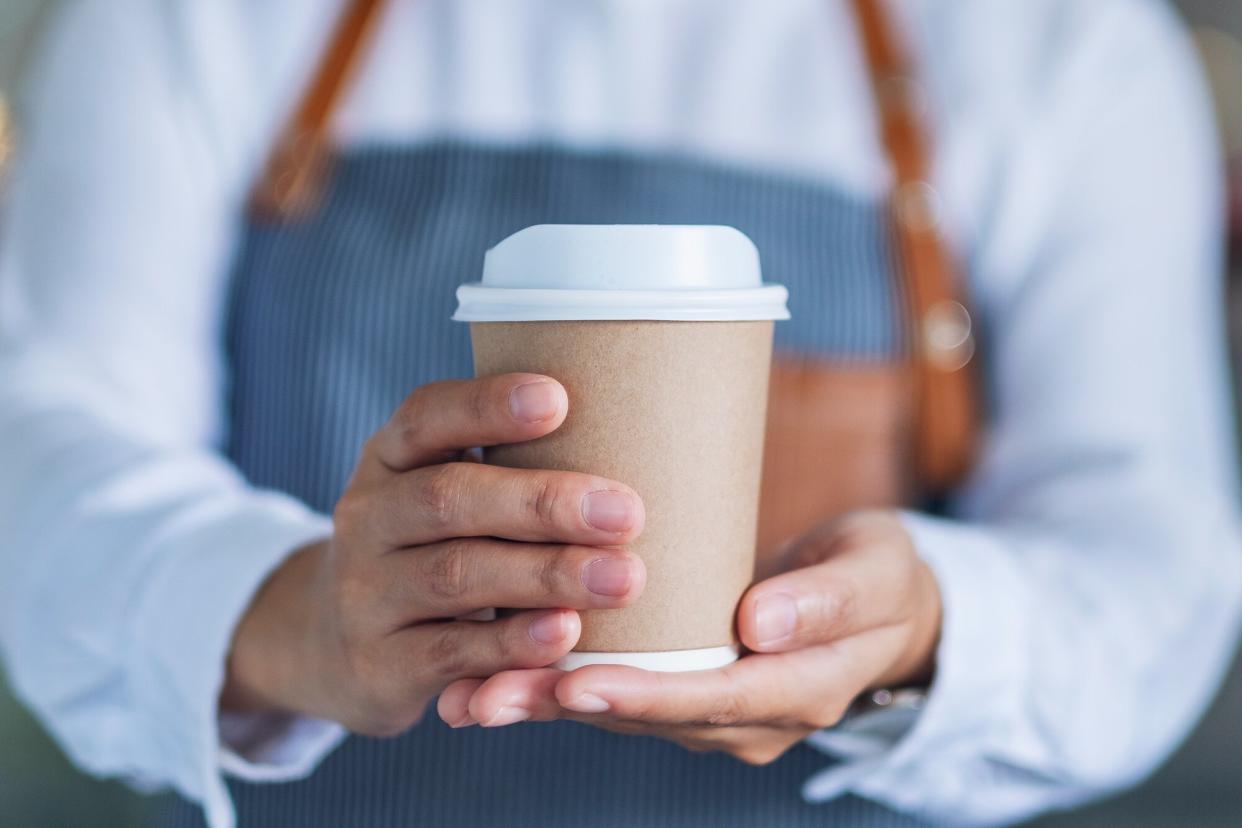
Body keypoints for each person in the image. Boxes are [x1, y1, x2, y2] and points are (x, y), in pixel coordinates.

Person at [2, 0, 1240, 826]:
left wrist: (926, 628)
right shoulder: (178, 19)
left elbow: (1150, 562)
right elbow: (45, 454)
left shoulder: (1067, 44)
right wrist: (301, 620)